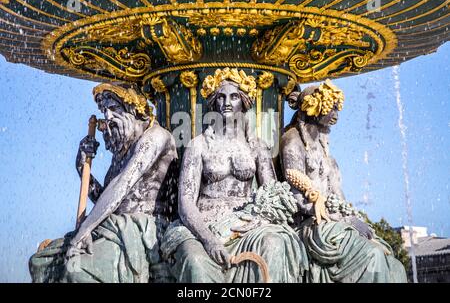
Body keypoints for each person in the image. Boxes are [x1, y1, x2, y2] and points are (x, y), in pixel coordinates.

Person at [161, 68, 308, 283]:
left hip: (247, 226)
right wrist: (208, 239)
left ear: (244, 101)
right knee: (196, 261)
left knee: (275, 243)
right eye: (221, 97)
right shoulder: (198, 146)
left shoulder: (257, 147)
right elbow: (185, 201)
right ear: (213, 102)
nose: (226, 102)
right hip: (204, 225)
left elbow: (275, 195)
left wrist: (258, 220)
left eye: (234, 96)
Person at [29, 84, 177, 283]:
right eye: (103, 111)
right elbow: (106, 199)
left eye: (114, 109)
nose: (107, 117)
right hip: (111, 225)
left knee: (77, 272)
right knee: (41, 262)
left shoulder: (155, 137)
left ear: (133, 109)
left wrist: (84, 230)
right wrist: (82, 167)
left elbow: (122, 185)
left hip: (142, 228)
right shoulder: (122, 152)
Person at [280, 80, 407, 283]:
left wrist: (352, 218)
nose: (336, 115)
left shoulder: (325, 151)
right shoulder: (292, 141)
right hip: (312, 224)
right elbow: (296, 199)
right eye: (332, 108)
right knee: (371, 257)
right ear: (315, 108)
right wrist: (343, 220)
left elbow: (339, 198)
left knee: (391, 261)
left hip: (333, 221)